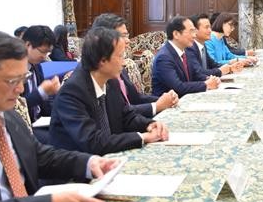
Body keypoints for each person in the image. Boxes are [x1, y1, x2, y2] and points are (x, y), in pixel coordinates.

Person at [0, 31, 120, 202]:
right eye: (12, 81)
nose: (21, 89)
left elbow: (38, 155)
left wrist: (88, 163)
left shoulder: (7, 114)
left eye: (24, 78)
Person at [50, 27, 169, 155]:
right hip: (80, 168)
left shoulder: (110, 80)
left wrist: (149, 125)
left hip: (109, 158)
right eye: (120, 56)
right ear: (102, 60)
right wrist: (142, 137)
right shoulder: (72, 93)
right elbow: (93, 142)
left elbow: (126, 116)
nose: (123, 62)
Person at [91, 13, 178, 117]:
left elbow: (136, 98)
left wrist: (166, 99)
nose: (128, 41)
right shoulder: (103, 72)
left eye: (127, 35)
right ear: (105, 38)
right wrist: (156, 106)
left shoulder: (120, 66)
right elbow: (121, 113)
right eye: (122, 36)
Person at [153, 16, 221, 97]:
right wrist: (206, 85)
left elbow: (196, 75)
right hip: (168, 106)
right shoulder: (164, 57)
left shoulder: (185, 52)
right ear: (176, 34)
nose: (194, 35)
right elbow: (178, 87)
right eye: (191, 31)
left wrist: (209, 79)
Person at [20, 25, 60, 124]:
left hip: (41, 121)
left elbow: (47, 103)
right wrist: (41, 92)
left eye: (47, 52)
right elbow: (17, 106)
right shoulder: (14, 70)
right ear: (27, 45)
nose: (44, 56)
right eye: (42, 51)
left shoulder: (39, 65)